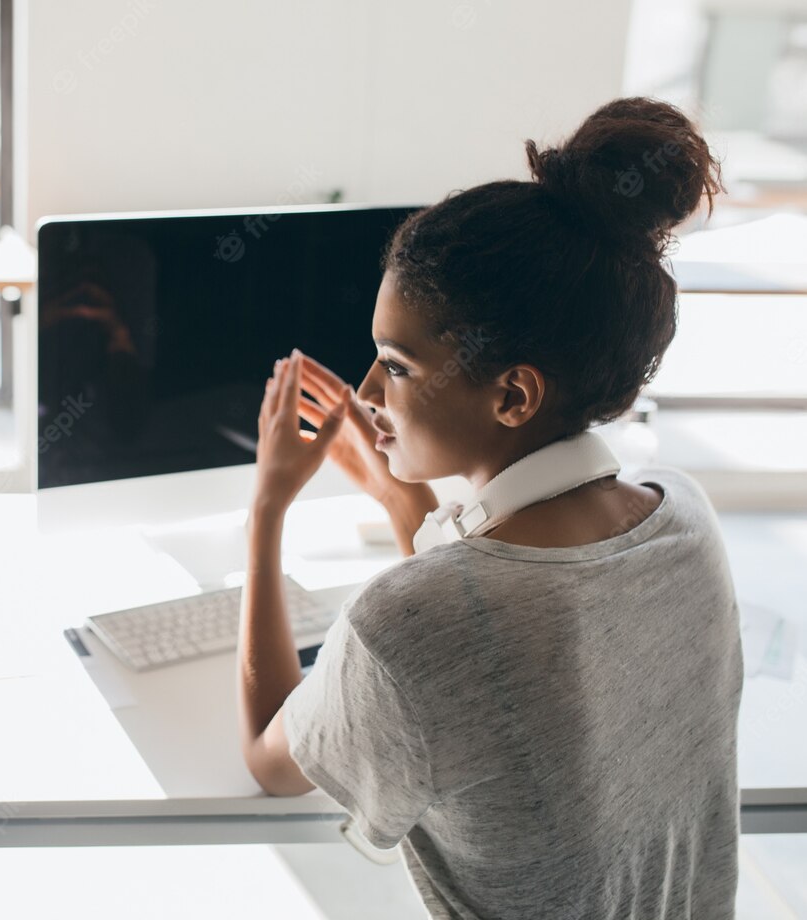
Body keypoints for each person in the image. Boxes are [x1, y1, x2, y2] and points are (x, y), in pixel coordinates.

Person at [238, 98, 741, 918]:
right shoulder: (686, 516)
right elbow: (490, 643)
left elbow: (269, 758)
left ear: (512, 394)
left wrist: (267, 511)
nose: (368, 394)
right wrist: (406, 502)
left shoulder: (401, 624)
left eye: (396, 367)